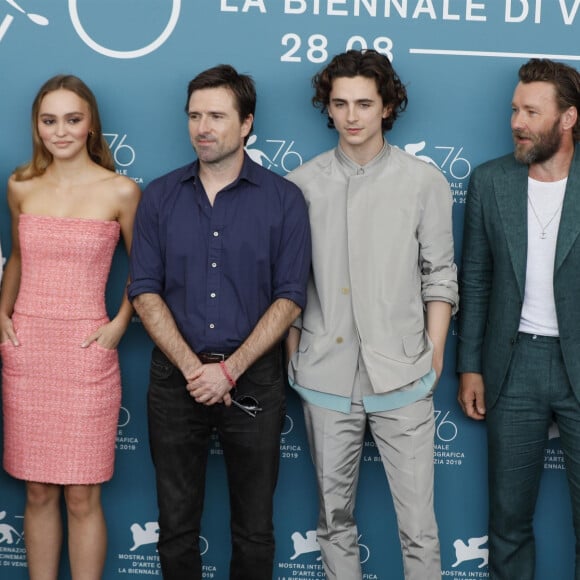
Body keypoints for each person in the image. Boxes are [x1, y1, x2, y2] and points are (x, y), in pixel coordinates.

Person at [127, 64, 311, 580]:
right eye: (194, 116)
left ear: (247, 123)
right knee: (176, 526)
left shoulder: (284, 199)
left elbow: (290, 297)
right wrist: (194, 369)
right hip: (174, 380)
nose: (202, 127)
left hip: (254, 379)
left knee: (254, 529)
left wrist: (229, 371)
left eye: (216, 115)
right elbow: (143, 290)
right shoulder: (160, 196)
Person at [286, 49, 458, 580]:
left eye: (364, 103)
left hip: (404, 373)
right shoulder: (300, 185)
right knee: (333, 519)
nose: (352, 115)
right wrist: (296, 357)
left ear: (387, 107)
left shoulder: (423, 181)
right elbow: (289, 285)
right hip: (324, 375)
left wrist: (432, 356)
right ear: (328, 108)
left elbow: (440, 275)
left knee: (419, 526)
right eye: (340, 104)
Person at [0, 75, 140, 579]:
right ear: (37, 127)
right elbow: (18, 257)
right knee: (37, 490)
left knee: (82, 493)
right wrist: (1, 316)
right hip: (28, 350)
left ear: (91, 125)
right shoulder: (20, 185)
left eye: (72, 120)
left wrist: (119, 325)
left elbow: (145, 271)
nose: (60, 131)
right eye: (49, 120)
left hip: (86, 352)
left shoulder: (121, 190)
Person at [457, 58, 580, 580]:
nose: (517, 122)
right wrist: (470, 367)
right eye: (514, 110)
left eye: (531, 111)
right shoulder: (490, 181)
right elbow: (476, 281)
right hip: (513, 367)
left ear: (567, 118)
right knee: (507, 521)